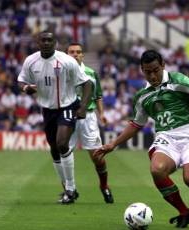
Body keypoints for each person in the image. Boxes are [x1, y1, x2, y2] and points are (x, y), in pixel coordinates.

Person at [95, 50, 189, 228]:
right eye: (148, 72)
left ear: (163, 65)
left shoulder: (177, 80)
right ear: (142, 70)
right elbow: (136, 124)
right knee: (157, 170)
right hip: (166, 137)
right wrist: (113, 144)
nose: (152, 75)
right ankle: (184, 212)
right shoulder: (142, 96)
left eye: (155, 70)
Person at [17, 31, 92, 204]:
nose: (46, 43)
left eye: (50, 40)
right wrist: (25, 88)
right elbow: (21, 80)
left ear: (55, 43)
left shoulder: (66, 61)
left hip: (67, 106)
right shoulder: (31, 61)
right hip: (47, 109)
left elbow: (87, 83)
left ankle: (71, 188)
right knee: (54, 149)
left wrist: (83, 107)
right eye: (43, 40)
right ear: (38, 42)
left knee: (62, 143)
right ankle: (67, 188)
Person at [66, 42, 114, 203]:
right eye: (71, 52)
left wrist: (102, 114)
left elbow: (98, 96)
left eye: (78, 52)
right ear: (66, 55)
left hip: (88, 117)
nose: (75, 54)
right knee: (64, 154)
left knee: (97, 156)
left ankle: (104, 186)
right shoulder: (61, 73)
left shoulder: (91, 73)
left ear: (82, 55)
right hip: (67, 116)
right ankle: (69, 191)